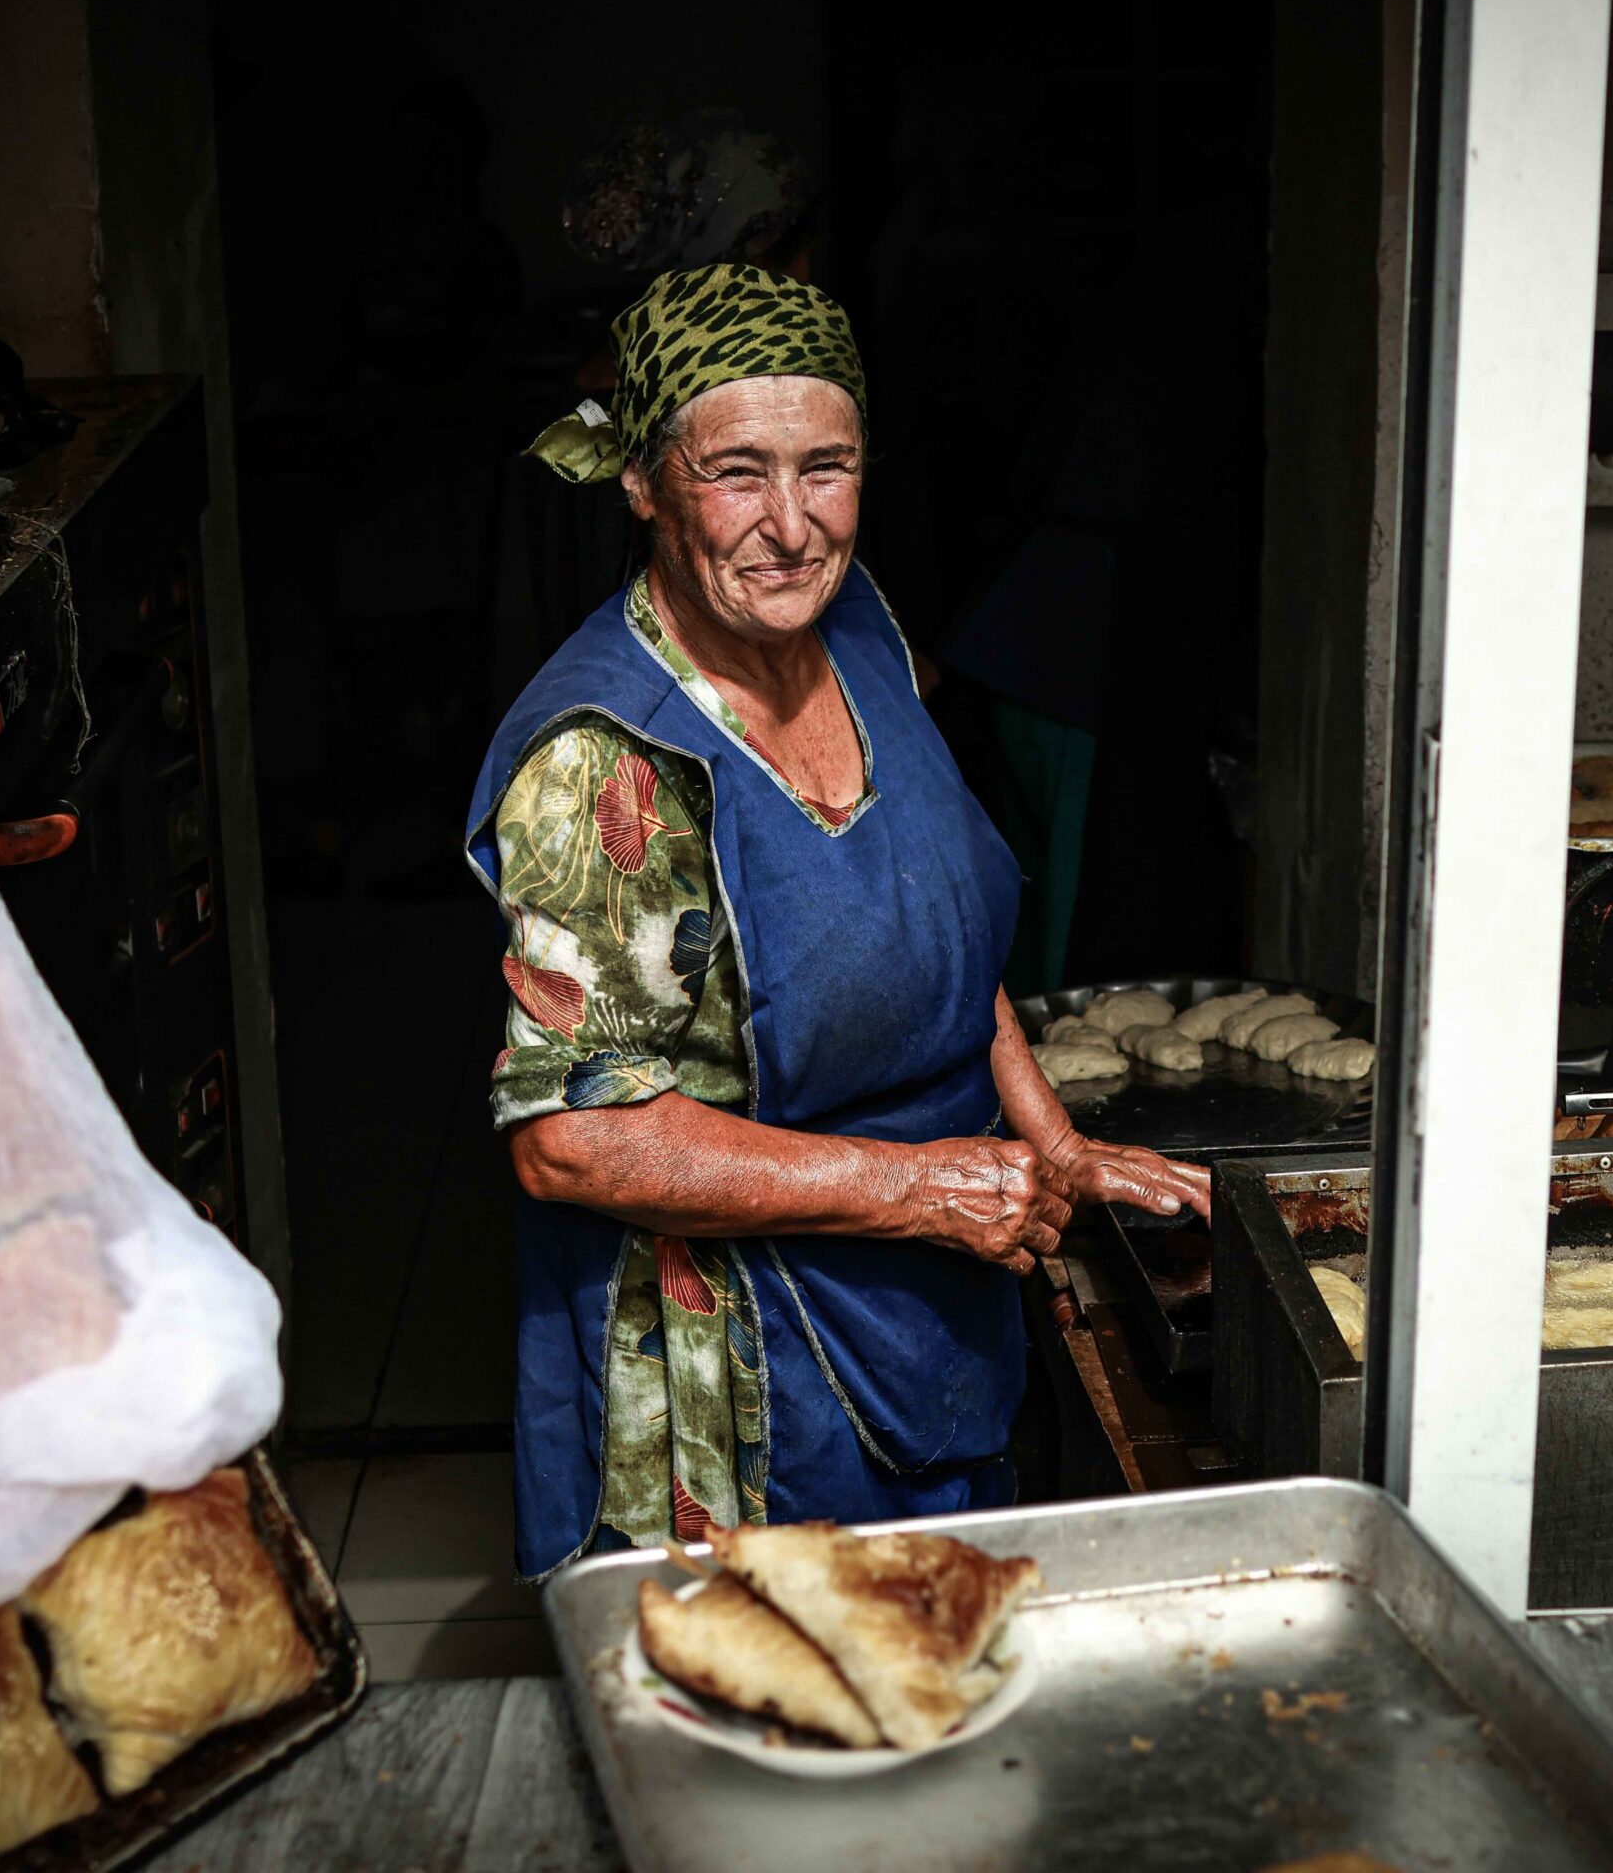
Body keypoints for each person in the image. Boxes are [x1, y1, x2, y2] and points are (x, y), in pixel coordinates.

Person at [465, 264, 1209, 1576]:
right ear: (643, 483)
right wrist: (916, 1190)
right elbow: (575, 1142)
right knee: (773, 1739)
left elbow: (935, 925)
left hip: (934, 1319)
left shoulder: (859, 627)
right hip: (741, 1398)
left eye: (828, 467)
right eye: (737, 472)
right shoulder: (610, 765)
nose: (793, 525)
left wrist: (1055, 1143)